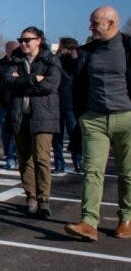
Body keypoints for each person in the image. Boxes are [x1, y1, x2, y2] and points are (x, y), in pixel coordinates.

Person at [65, 6, 131, 241]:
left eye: (94, 23)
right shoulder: (85, 52)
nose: (90, 27)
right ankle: (89, 221)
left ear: (111, 24)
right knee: (92, 172)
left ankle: (126, 219)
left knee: (127, 173)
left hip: (126, 117)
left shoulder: (127, 47)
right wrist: (82, 114)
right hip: (94, 119)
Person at [5, 26, 61, 218]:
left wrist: (22, 83)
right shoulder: (16, 60)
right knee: (24, 159)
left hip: (43, 116)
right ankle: (31, 196)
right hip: (20, 115)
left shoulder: (51, 60)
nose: (23, 43)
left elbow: (51, 85)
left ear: (39, 40)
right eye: (21, 40)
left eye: (28, 40)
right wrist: (33, 79)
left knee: (42, 158)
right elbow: (8, 82)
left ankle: (44, 199)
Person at [51, 37, 82, 173]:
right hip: (56, 103)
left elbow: (80, 74)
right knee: (56, 137)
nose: (59, 49)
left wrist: (76, 59)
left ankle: (78, 162)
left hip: (71, 104)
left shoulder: (77, 62)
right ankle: (59, 164)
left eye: (61, 47)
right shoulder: (56, 61)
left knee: (74, 134)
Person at [0, 41, 20, 170]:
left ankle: (18, 156)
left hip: (19, 103)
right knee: (6, 132)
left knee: (18, 131)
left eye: (15, 50)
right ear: (6, 50)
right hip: (2, 103)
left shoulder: (21, 64)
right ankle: (10, 157)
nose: (12, 52)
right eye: (10, 50)